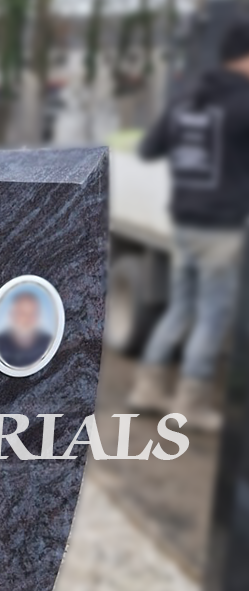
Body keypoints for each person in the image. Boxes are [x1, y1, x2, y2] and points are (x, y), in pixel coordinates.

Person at [128, 19, 249, 432]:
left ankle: (147, 389)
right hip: (221, 226)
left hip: (184, 220)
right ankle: (189, 405)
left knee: (181, 307)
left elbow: (148, 149)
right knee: (213, 315)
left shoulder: (186, 99)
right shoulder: (244, 103)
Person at [0, 290, 54, 368]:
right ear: (13, 315)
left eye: (32, 314)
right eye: (22, 313)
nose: (28, 319)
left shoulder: (47, 341)